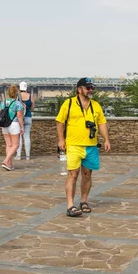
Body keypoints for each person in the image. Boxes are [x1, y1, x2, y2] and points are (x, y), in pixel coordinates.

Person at [56, 77, 110, 217]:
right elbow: (60, 122)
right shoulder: (68, 104)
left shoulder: (96, 105)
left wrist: (106, 139)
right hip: (74, 145)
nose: (91, 90)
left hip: (91, 146)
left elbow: (102, 123)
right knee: (73, 175)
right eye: (88, 87)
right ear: (79, 89)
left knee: (87, 175)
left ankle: (84, 201)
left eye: (92, 87)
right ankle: (70, 205)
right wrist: (61, 140)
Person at [0, 85, 25, 171]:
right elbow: (19, 116)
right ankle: (6, 161)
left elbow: (0, 113)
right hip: (14, 124)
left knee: (8, 145)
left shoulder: (3, 102)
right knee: (16, 145)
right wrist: (22, 127)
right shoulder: (17, 103)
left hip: (4, 125)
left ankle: (9, 165)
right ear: (16, 94)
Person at [16, 81, 35, 160]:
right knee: (27, 136)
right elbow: (33, 108)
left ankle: (19, 156)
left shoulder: (17, 96)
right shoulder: (30, 96)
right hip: (28, 117)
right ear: (26, 87)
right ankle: (28, 156)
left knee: (19, 137)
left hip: (19, 118)